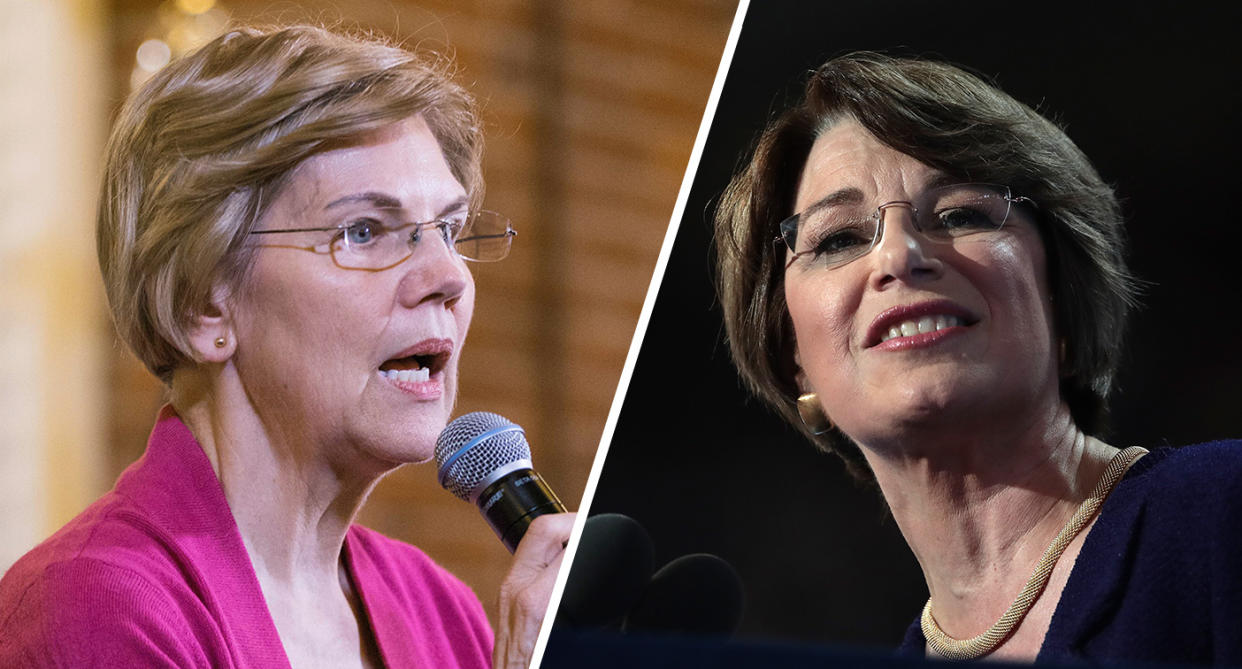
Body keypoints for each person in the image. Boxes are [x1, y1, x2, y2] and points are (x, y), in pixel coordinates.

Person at [0, 25, 572, 668]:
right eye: (364, 230)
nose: (449, 278)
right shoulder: (95, 609)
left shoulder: (443, 613)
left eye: (447, 227)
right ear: (202, 302)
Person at [714, 52, 1242, 664]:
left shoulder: (1220, 512)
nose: (899, 256)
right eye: (839, 238)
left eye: (961, 213)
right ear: (794, 359)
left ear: (1061, 295)